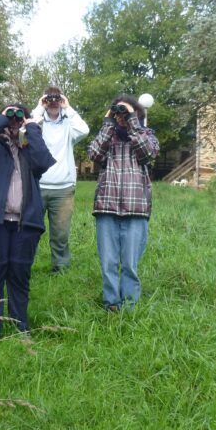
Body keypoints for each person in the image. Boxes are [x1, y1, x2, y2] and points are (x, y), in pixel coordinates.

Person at [0, 104, 55, 341]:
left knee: (19, 276)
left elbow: (44, 161)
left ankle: (20, 328)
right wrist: (1, 119)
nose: (15, 121)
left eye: (19, 117)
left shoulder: (30, 150)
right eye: (11, 116)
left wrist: (32, 128)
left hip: (25, 224)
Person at [88, 94, 159, 311]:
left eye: (125, 112)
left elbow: (147, 154)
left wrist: (132, 121)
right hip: (106, 207)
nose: (121, 116)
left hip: (136, 208)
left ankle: (129, 305)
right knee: (108, 262)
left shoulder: (146, 135)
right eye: (117, 112)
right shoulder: (107, 137)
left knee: (130, 263)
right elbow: (94, 154)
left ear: (136, 114)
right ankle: (111, 304)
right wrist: (108, 123)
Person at [31, 86, 89, 273]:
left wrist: (68, 108)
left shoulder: (69, 125)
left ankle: (60, 268)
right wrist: (39, 107)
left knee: (61, 234)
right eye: (49, 99)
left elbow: (84, 130)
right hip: (37, 186)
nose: (54, 102)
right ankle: (24, 265)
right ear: (44, 101)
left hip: (63, 189)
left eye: (57, 99)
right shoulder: (38, 123)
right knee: (30, 230)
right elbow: (25, 129)